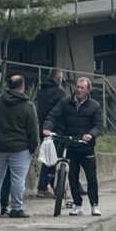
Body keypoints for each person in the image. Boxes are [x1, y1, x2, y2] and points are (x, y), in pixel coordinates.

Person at [43, 76, 103, 216]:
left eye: (82, 88)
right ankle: (77, 205)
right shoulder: (65, 102)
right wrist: (47, 127)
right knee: (72, 176)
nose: (79, 90)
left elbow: (98, 125)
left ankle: (94, 205)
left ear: (88, 90)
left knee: (91, 177)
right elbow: (53, 115)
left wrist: (90, 134)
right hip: (70, 144)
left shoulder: (94, 106)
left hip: (86, 146)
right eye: (77, 87)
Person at [0, 75, 39, 218]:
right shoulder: (28, 105)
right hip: (20, 148)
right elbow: (33, 130)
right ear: (22, 86)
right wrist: (33, 147)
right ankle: (16, 208)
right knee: (18, 179)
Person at [35, 68, 68, 197]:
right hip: (57, 129)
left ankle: (47, 187)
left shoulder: (41, 91)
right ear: (59, 78)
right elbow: (65, 110)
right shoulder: (60, 93)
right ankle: (49, 187)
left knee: (48, 158)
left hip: (44, 128)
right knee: (55, 159)